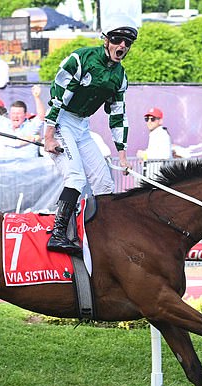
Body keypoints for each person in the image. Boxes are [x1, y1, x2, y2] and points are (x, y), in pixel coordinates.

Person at [43, 21, 135, 254]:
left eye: (127, 42)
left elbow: (118, 115)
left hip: (82, 127)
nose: (122, 45)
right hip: (61, 121)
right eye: (116, 40)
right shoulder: (80, 59)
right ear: (106, 40)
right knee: (75, 177)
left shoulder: (120, 76)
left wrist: (122, 156)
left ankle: (103, 237)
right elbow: (57, 98)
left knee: (105, 183)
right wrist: (49, 137)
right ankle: (58, 235)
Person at [0, 82, 44, 159]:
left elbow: (41, 117)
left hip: (27, 168)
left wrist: (37, 97)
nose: (15, 116)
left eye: (18, 113)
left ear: (25, 114)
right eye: (13, 113)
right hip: (7, 168)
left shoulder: (30, 127)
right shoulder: (4, 124)